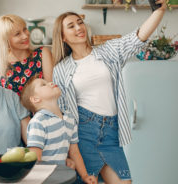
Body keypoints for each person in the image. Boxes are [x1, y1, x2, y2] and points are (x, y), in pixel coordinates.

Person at [52, 1, 167, 183]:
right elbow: (61, 112)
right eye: (71, 26)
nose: (79, 27)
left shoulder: (108, 51)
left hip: (112, 132)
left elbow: (138, 38)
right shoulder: (61, 70)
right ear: (63, 37)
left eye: (80, 22)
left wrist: (159, 11)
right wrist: (66, 152)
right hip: (83, 133)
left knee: (124, 181)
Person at [20, 77, 96, 184]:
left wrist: (84, 175)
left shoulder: (69, 118)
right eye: (43, 84)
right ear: (35, 99)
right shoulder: (38, 122)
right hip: (45, 179)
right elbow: (35, 158)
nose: (50, 83)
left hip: (62, 178)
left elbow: (74, 152)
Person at [0, 14, 54, 96]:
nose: (25, 35)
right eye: (17, 34)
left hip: (42, 108)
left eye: (24, 29)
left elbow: (50, 90)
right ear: (6, 40)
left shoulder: (42, 54)